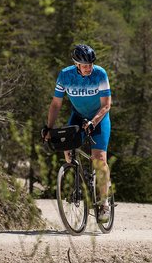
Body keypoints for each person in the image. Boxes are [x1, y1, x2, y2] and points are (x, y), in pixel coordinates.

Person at [44, 44, 112, 222]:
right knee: (67, 151)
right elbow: (56, 104)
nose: (89, 67)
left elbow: (106, 105)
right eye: (84, 65)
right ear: (76, 64)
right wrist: (49, 128)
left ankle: (104, 203)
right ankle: (79, 183)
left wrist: (93, 122)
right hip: (78, 116)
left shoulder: (100, 74)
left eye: (90, 64)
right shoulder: (65, 76)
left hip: (99, 117)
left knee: (99, 159)